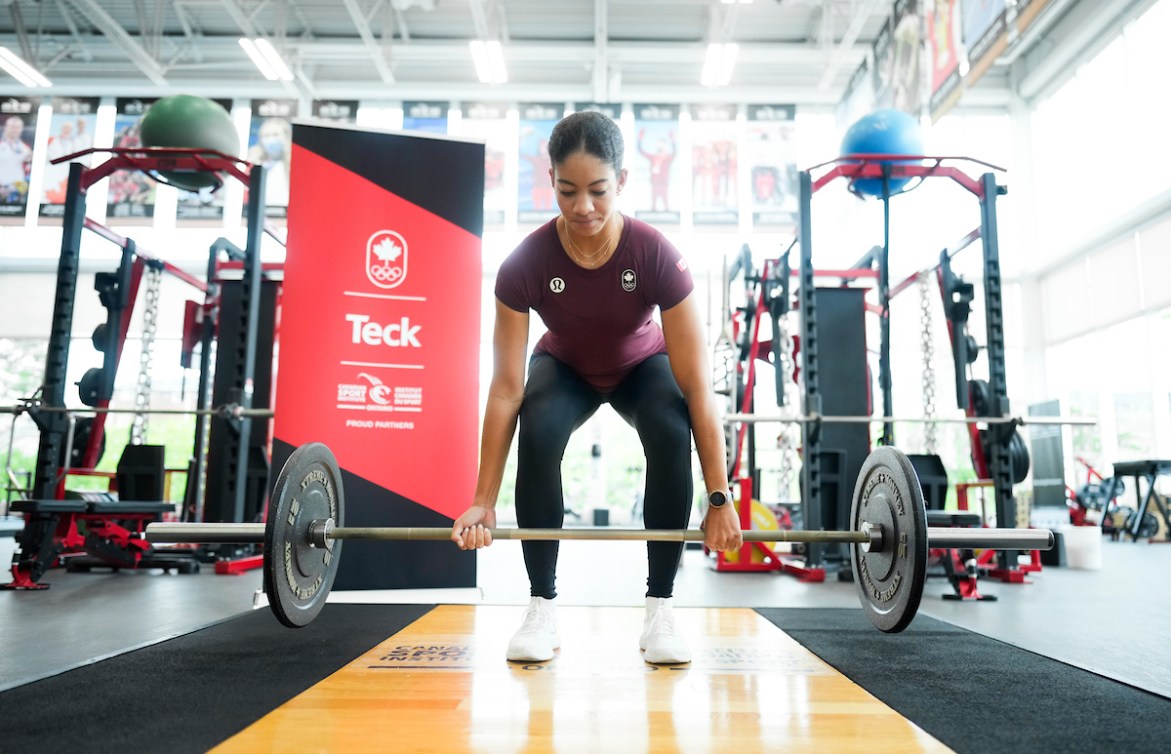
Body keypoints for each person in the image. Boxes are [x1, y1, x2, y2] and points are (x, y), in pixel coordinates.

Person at [450, 111, 743, 665]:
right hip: (565, 367)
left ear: (623, 182)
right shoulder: (524, 265)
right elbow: (506, 388)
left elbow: (699, 388)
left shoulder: (656, 255)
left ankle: (660, 608)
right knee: (538, 423)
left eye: (598, 190)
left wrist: (719, 497)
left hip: (641, 364)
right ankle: (541, 607)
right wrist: (482, 502)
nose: (583, 206)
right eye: (567, 191)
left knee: (668, 423)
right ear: (553, 183)